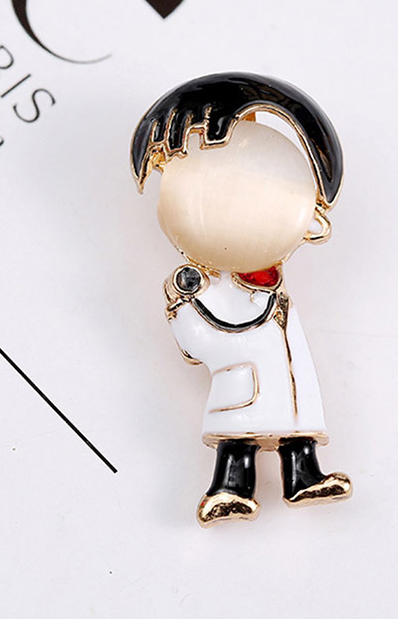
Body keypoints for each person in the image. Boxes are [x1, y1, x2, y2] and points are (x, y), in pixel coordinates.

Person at [131, 72, 352, 527]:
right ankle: (230, 490)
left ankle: (303, 477)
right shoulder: (204, 288)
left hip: (288, 385)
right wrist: (182, 310)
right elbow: (198, 344)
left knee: (297, 429)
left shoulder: (273, 284)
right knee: (238, 441)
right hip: (240, 383)